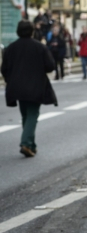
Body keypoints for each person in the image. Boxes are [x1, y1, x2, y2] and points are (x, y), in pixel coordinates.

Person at [1, 20, 57, 157]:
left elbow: (4, 69)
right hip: (35, 86)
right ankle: (26, 143)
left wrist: (11, 80)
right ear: (32, 31)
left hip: (17, 87)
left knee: (25, 114)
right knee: (32, 114)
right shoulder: (39, 47)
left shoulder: (10, 48)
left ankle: (31, 145)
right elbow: (50, 66)